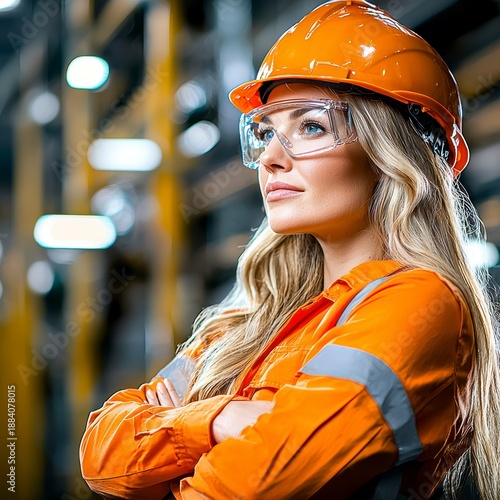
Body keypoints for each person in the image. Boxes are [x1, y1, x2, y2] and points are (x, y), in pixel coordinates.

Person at [79, 1, 500, 498]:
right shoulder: (246, 325)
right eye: (266, 132)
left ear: (390, 151)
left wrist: (171, 434)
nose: (271, 159)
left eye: (312, 127)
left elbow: (250, 486)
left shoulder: (421, 306)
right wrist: (219, 420)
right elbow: (101, 456)